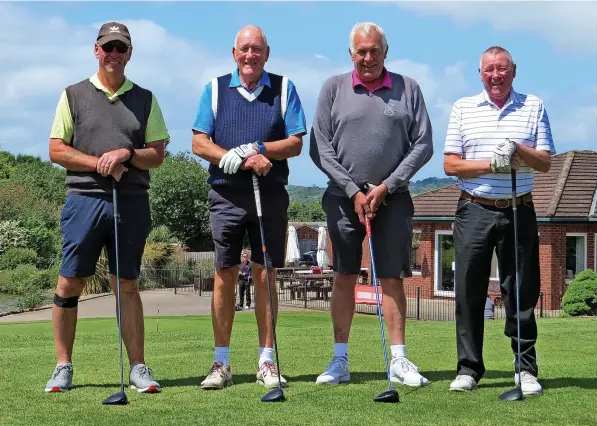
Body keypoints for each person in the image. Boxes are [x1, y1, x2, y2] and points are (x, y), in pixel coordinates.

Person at [45, 22, 169, 393]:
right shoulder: (73, 94)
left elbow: (157, 153)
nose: (114, 54)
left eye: (121, 48)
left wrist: (126, 154)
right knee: (70, 281)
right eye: (108, 47)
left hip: (130, 201)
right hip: (83, 199)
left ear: (129, 53)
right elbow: (56, 149)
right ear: (96, 50)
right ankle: (63, 366)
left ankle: (138, 368)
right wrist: (99, 162)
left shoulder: (145, 98)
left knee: (126, 283)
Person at [309, 22, 433, 387]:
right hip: (343, 197)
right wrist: (353, 190)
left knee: (393, 277)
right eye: (361, 51)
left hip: (392, 198)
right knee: (345, 275)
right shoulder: (333, 88)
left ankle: (399, 359)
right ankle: (340, 360)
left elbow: (423, 144)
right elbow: (321, 146)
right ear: (351, 54)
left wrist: (387, 186)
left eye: (374, 51)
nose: (368, 58)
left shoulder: (409, 88)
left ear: (385, 51)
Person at [192, 24, 307, 390]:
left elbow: (294, 143)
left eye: (257, 49)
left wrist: (258, 149)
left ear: (267, 53)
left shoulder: (284, 88)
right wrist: (238, 158)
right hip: (227, 196)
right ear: (234, 52)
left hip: (270, 195)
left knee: (264, 275)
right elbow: (199, 142)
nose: (250, 56)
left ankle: (266, 361)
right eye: (244, 49)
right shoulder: (214, 89)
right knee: (225, 274)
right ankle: (221, 363)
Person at [443, 46, 555, 395]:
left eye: (502, 69)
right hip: (474, 206)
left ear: (513, 71)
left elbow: (545, 162)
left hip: (519, 208)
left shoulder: (533, 105)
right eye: (489, 70)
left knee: (520, 289)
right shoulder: (463, 108)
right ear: (480, 73)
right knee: (469, 291)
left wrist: (519, 151)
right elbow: (451, 165)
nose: (496, 75)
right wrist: (494, 163)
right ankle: (468, 368)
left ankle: (525, 369)